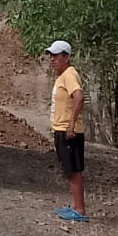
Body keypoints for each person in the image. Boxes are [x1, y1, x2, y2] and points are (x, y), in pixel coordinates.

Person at [45, 40, 87, 222]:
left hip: (68, 131)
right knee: (69, 169)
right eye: (50, 55)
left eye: (56, 55)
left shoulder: (69, 75)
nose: (52, 59)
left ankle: (80, 210)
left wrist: (70, 125)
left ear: (66, 57)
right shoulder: (63, 76)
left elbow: (79, 96)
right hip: (62, 130)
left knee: (73, 170)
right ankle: (75, 205)